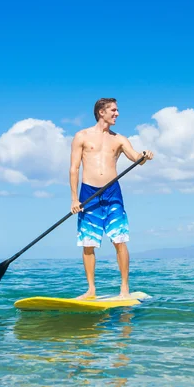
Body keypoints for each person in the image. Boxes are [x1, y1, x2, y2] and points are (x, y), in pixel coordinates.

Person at [69, 98, 154, 299]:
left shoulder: (119, 139)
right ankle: (91, 290)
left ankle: (124, 288)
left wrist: (144, 155)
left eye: (117, 110)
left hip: (112, 192)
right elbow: (74, 169)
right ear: (101, 112)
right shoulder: (81, 136)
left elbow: (135, 158)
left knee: (120, 240)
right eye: (113, 110)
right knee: (88, 243)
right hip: (88, 193)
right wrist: (74, 199)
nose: (117, 114)